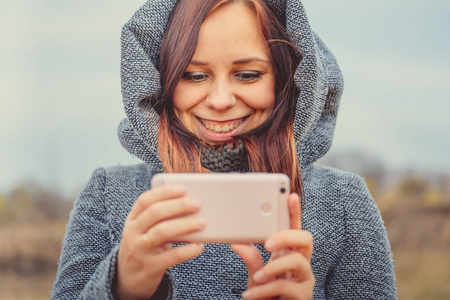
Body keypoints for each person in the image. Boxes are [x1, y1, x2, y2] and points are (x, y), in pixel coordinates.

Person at [51, 0, 397, 299]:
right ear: (160, 81)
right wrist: (122, 287)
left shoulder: (343, 201)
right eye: (193, 75)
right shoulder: (107, 194)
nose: (219, 101)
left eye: (247, 75)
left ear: (287, 79)